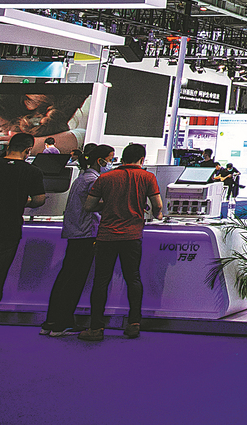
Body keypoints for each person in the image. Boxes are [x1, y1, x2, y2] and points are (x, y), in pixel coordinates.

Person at [79, 143, 162, 341]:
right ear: (142, 159)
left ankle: (96, 328)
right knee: (133, 278)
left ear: (122, 159)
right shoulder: (148, 177)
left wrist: (109, 204)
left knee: (101, 281)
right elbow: (157, 205)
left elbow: (89, 206)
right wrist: (157, 214)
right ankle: (133, 324)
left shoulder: (105, 178)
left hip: (106, 236)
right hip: (132, 236)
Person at [0, 133, 45, 345]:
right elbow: (38, 200)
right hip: (8, 231)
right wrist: (23, 200)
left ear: (7, 146)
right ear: (28, 150)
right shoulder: (32, 171)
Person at [40, 144, 112, 337]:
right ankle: (61, 324)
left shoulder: (83, 178)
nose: (111, 163)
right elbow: (92, 205)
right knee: (75, 279)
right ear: (100, 161)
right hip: (85, 234)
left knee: (66, 277)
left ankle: (52, 321)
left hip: (76, 232)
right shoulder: (93, 180)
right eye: (110, 159)